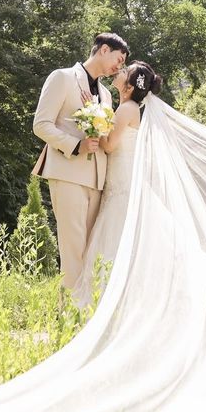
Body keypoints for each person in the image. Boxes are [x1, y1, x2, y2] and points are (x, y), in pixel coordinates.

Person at [31, 33, 129, 289]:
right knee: (73, 252)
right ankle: (68, 319)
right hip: (68, 174)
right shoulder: (61, 78)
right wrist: (76, 145)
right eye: (118, 60)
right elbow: (41, 125)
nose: (118, 67)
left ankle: (85, 317)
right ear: (104, 49)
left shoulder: (106, 95)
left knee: (92, 253)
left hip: (98, 181)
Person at [72, 60, 162, 301]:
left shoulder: (127, 109)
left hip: (122, 183)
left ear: (129, 86)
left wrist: (94, 124)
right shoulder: (128, 107)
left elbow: (110, 145)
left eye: (125, 71)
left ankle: (105, 300)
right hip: (119, 179)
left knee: (113, 238)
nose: (119, 72)